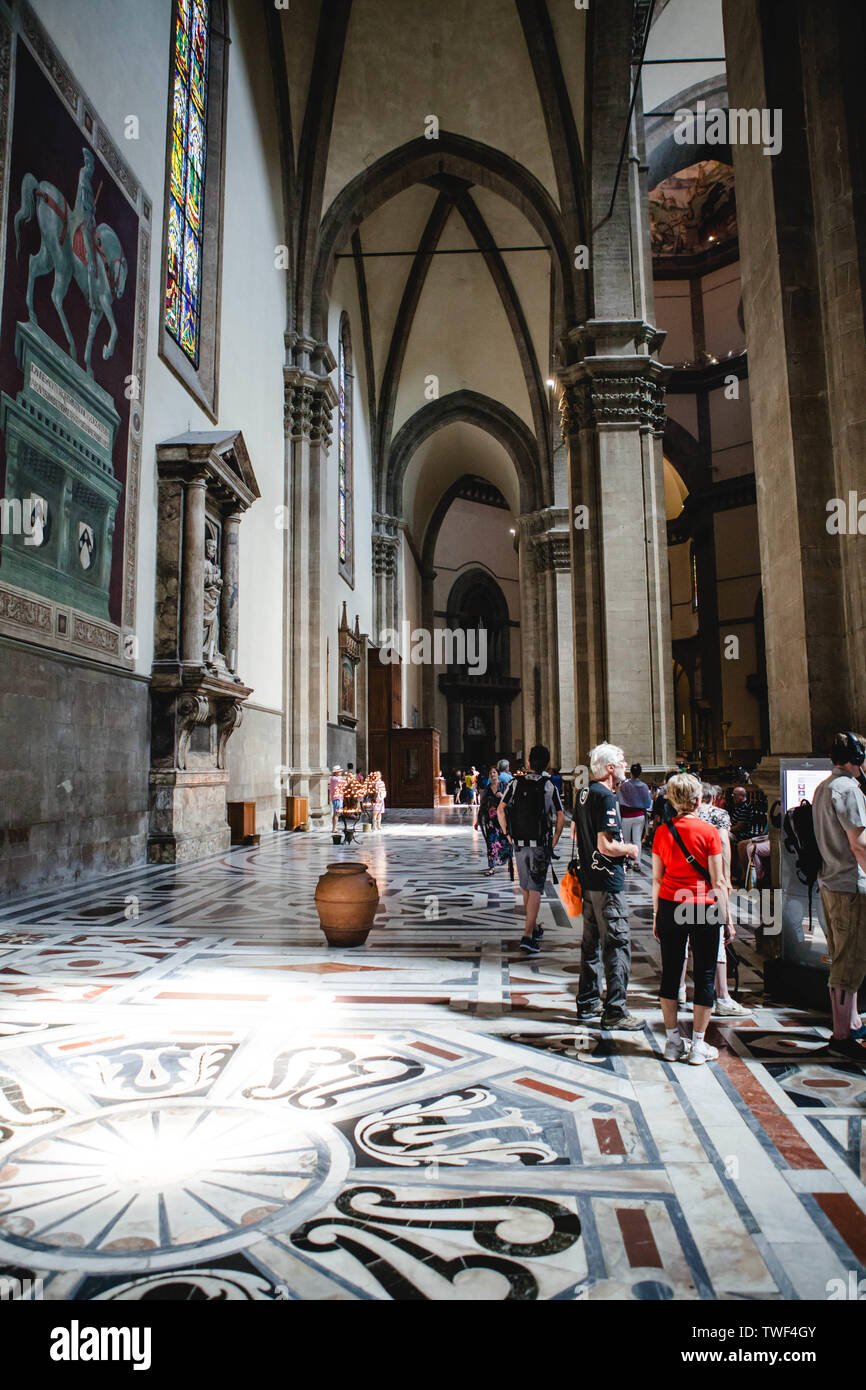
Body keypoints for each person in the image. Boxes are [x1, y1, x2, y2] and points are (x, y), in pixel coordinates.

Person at [653, 772, 728, 1065]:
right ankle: (698, 1045)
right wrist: (729, 918)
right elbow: (719, 880)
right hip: (704, 905)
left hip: (672, 903)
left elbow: (657, 879)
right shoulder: (709, 832)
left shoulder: (662, 831)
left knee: (672, 972)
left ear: (671, 800)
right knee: (705, 973)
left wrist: (657, 914)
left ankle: (672, 1043)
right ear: (698, 800)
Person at [573, 743, 642, 1030]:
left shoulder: (584, 792)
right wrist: (630, 849)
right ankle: (615, 1010)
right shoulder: (606, 797)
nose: (625, 766)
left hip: (589, 880)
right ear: (610, 768)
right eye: (622, 762)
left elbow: (577, 832)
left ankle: (588, 1001)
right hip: (608, 883)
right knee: (616, 944)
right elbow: (606, 844)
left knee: (591, 944)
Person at [812, 732, 866, 1060]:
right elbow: (859, 843)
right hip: (850, 885)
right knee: (850, 959)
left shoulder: (824, 787)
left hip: (830, 880)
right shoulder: (848, 790)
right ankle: (842, 1034)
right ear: (856, 757)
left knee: (841, 953)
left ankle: (852, 1019)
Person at [498, 743, 564, 953]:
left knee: (526, 886)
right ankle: (527, 934)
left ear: (528, 762)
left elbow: (501, 809)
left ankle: (533, 926)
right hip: (540, 844)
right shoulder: (548, 785)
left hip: (519, 843)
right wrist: (554, 839)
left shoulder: (515, 783)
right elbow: (561, 815)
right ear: (547, 764)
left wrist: (508, 834)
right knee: (535, 888)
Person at [696, 783, 752, 1017]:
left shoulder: (684, 817)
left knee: (686, 942)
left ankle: (678, 991)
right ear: (715, 797)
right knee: (717, 939)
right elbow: (724, 849)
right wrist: (726, 882)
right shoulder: (719, 816)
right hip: (711, 884)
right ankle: (722, 996)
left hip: (683, 888)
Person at [475, 766, 511, 875]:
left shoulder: (504, 786)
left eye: (494, 772)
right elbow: (483, 805)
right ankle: (492, 867)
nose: (492, 775)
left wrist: (502, 796)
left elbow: (511, 801)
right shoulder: (487, 789)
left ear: (498, 774)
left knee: (504, 841)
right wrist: (477, 820)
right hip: (490, 821)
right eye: (491, 773)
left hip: (502, 819)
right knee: (491, 843)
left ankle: (509, 862)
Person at [616, 763, 652, 872]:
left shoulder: (625, 785)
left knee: (626, 840)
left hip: (627, 815)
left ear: (630, 772)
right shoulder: (644, 786)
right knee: (637, 840)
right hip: (639, 816)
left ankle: (628, 861)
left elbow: (618, 798)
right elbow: (648, 802)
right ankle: (637, 862)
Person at [329, 765, 344, 833]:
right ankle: (334, 828)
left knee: (337, 813)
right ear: (336, 772)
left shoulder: (336, 778)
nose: (341, 772)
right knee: (337, 813)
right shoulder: (334, 779)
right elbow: (344, 782)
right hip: (337, 798)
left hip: (339, 797)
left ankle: (334, 828)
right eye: (339, 771)